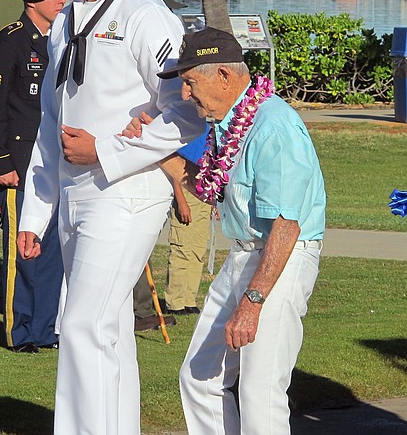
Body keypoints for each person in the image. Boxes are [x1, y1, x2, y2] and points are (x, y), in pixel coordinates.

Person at [16, 0, 203, 432]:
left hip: (129, 191)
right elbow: (53, 119)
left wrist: (107, 151)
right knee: (109, 327)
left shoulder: (147, 14)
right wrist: (36, 210)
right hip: (76, 195)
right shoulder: (67, 21)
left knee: (82, 325)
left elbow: (187, 112)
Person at [127, 27, 327, 434]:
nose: (185, 95)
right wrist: (157, 149)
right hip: (244, 255)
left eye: (190, 82)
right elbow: (212, 187)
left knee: (260, 390)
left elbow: (286, 226)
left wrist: (252, 304)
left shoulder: (274, 126)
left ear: (223, 74)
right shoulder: (228, 121)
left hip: (279, 259)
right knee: (200, 376)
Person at [0, 0, 67, 354]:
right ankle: (20, 329)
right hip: (19, 163)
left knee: (52, 251)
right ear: (34, 2)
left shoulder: (62, 40)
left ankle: (45, 327)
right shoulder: (10, 42)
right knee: (23, 247)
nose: (63, 0)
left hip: (56, 163)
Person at [163, 130, 212, 316]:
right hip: (186, 193)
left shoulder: (208, 129)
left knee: (197, 250)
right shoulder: (184, 129)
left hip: (203, 193)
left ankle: (189, 299)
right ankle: (175, 301)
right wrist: (181, 200)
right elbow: (175, 169)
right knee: (182, 249)